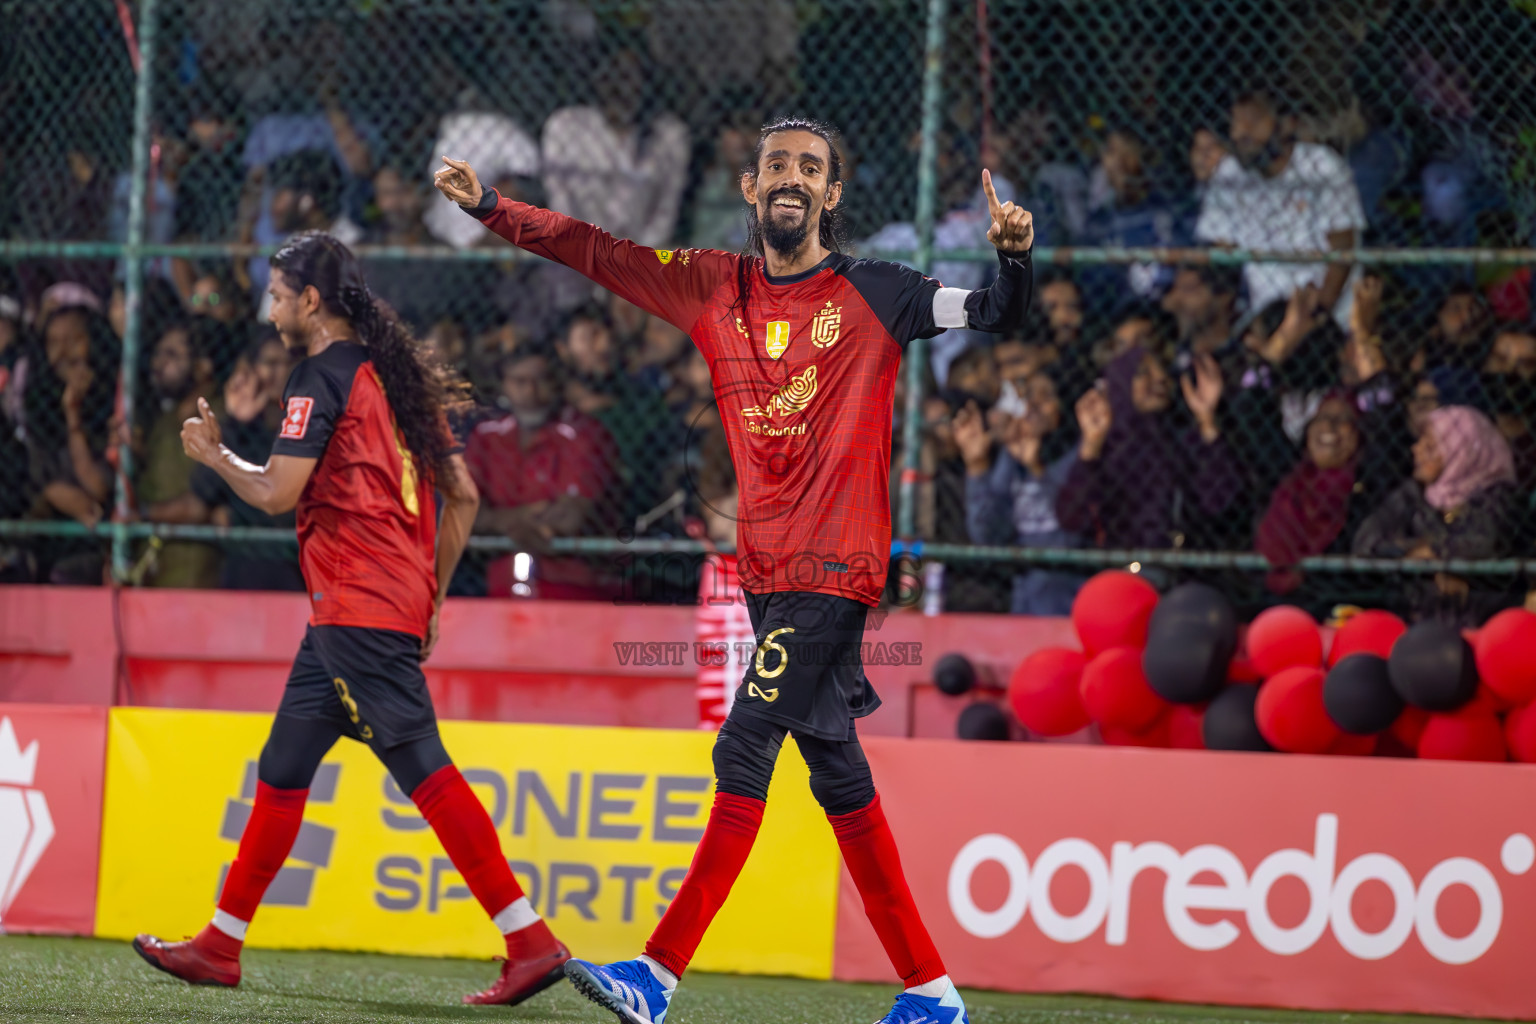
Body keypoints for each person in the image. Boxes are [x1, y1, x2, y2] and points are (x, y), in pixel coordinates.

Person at [437, 113, 1036, 1024]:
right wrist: (491, 207)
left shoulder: (881, 291)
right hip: (766, 573)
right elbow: (594, 251)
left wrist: (1014, 257)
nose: (791, 177)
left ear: (831, 194)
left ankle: (657, 975)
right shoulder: (710, 287)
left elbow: (993, 312)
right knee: (839, 777)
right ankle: (933, 993)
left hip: (836, 572)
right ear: (753, 189)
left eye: (810, 167)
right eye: (775, 166)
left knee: (743, 745)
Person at [131, 233, 571, 1006]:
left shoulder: (318, 376)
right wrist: (428, 597)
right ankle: (220, 944)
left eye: (274, 296)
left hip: (356, 610)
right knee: (284, 767)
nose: (268, 312)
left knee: (426, 773)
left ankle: (531, 941)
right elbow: (462, 498)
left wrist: (213, 456)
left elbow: (275, 492)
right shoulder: (395, 380)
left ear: (308, 300)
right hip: (367, 608)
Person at [1195, 85, 1366, 327]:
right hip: (1263, 320)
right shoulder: (1229, 173)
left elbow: (1342, 254)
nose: (1240, 133)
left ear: (1288, 124)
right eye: (1236, 122)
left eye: (1253, 122)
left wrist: (1317, 317)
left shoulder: (1321, 166)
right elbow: (1220, 251)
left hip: (1329, 319)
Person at [464, 345, 620, 600]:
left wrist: (497, 521)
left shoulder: (583, 434)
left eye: (541, 380)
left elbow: (571, 517)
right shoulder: (486, 436)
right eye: (519, 381)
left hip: (571, 586)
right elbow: (463, 512)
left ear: (557, 383)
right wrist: (520, 519)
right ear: (504, 386)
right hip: (499, 585)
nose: (530, 391)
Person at [1057, 347, 1243, 552]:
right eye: (1143, 372)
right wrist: (1090, 446)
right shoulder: (1104, 446)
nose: (1161, 378)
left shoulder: (1179, 439)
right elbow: (1072, 518)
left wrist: (1207, 421)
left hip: (1182, 569)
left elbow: (1220, 501)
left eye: (1162, 370)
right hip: (1120, 569)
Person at [1353, 405, 1517, 626]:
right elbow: (1366, 540)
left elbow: (1482, 542)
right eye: (1419, 441)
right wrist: (1421, 554)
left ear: (1461, 451)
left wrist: (1434, 553)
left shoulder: (1496, 494)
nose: (1416, 449)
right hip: (1413, 618)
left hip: (1485, 620)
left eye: (1430, 445)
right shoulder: (1413, 493)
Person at [955, 367, 1084, 614]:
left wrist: (1037, 471)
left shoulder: (1077, 457)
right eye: (1027, 397)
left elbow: (1071, 536)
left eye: (1045, 397)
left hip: (1070, 602)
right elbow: (988, 535)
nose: (1033, 405)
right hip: (1024, 605)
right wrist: (978, 468)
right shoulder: (1010, 458)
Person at [1254, 394, 1371, 598]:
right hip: (1273, 600)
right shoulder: (1288, 483)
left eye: (1343, 418)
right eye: (1321, 417)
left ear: (1358, 435)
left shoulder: (1367, 491)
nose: (1329, 425)